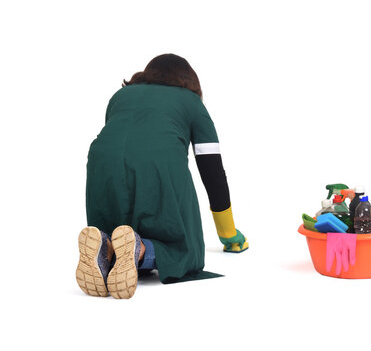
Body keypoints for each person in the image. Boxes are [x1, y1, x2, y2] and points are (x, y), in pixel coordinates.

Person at [75, 54, 248, 299]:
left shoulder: (119, 96)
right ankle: (140, 250)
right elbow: (212, 171)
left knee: (116, 230)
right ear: (190, 82)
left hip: (101, 168)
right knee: (187, 253)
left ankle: (106, 247)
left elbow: (121, 147)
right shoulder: (191, 102)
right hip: (158, 166)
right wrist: (229, 234)